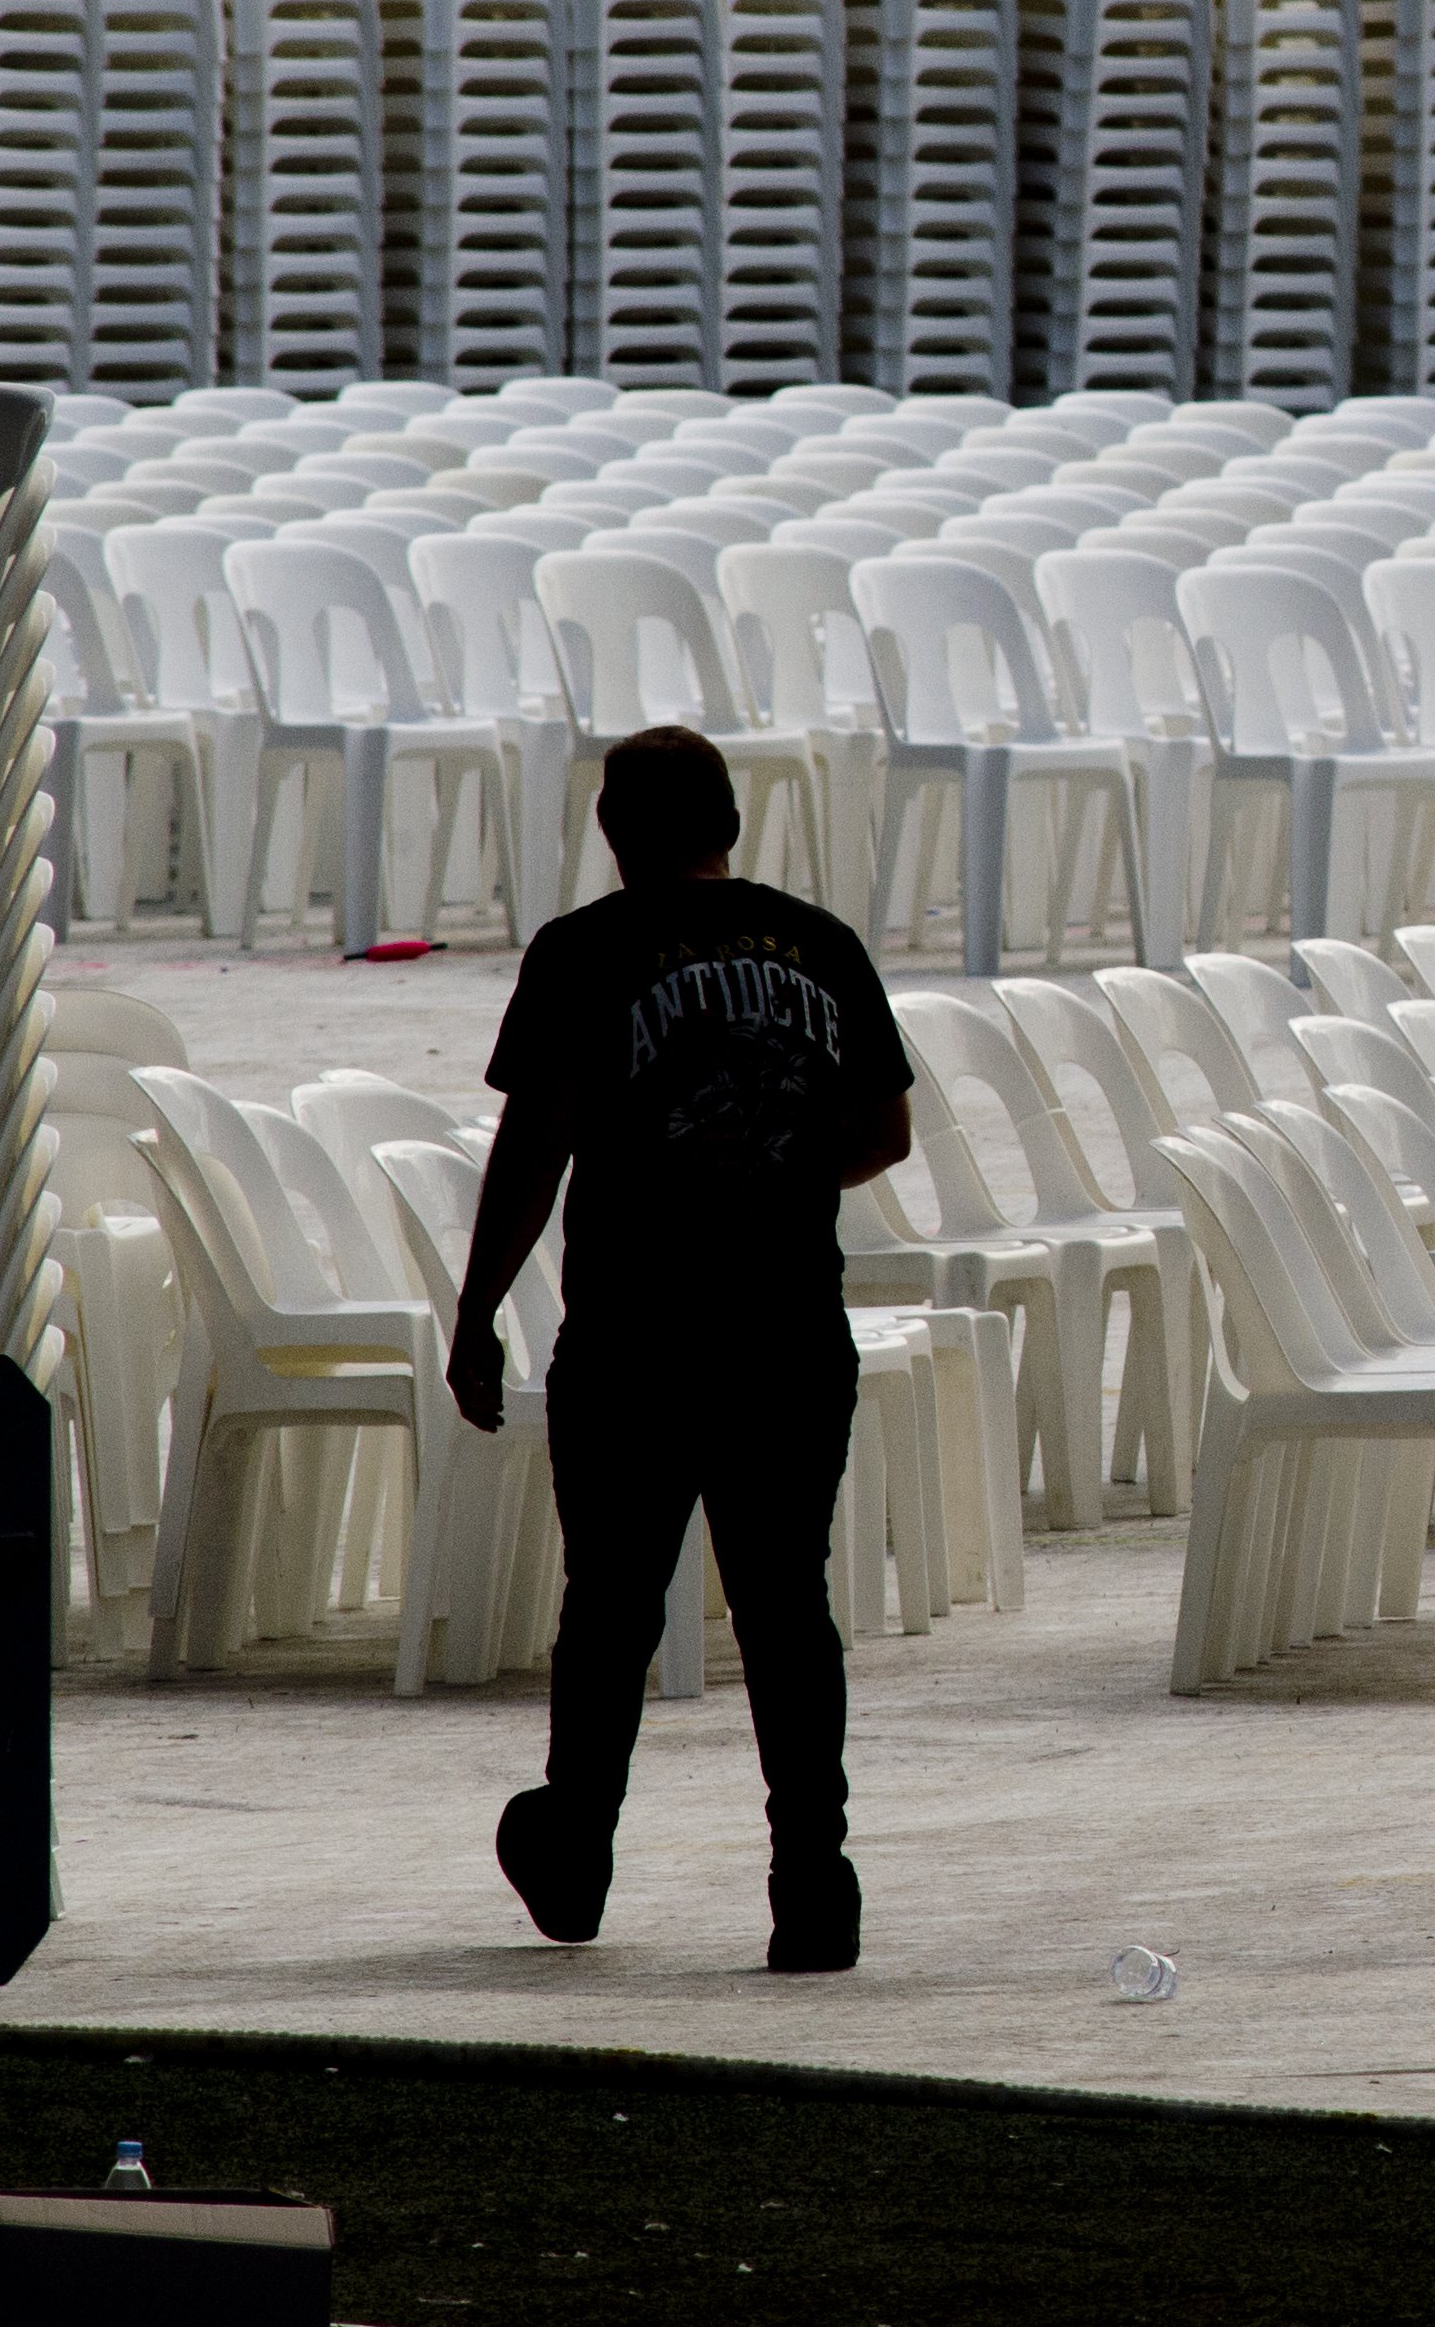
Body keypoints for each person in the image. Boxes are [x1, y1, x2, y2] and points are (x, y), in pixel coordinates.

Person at [449, 726, 913, 1972]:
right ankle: (813, 1880)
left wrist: (478, 1308)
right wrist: (768, 1166)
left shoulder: (584, 952)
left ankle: (576, 1854)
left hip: (637, 1337)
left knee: (610, 1605)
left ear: (612, 831)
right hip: (790, 1330)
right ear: (732, 825)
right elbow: (885, 1131)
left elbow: (536, 1148)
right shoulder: (821, 943)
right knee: (786, 1608)